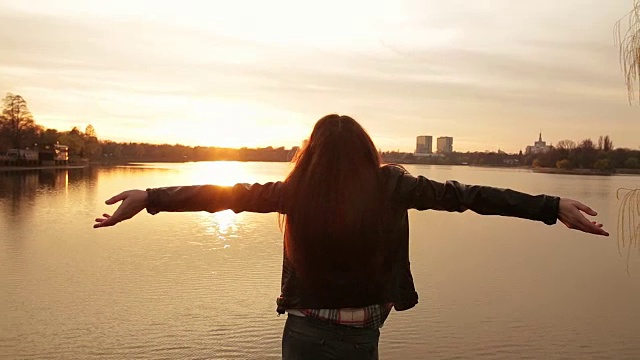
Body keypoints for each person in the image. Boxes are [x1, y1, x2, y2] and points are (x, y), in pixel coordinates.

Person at [94, 114, 609, 360]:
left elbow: (225, 193)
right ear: (367, 152)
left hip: (302, 333)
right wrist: (551, 206)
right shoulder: (392, 185)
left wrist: (151, 196)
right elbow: (468, 194)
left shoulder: (293, 190)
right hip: (361, 334)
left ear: (310, 154)